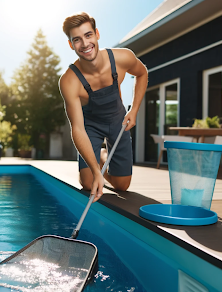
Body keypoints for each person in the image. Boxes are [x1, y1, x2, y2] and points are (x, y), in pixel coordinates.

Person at [59, 12, 148, 202]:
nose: (84, 44)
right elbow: (77, 128)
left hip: (118, 120)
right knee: (89, 183)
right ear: (71, 44)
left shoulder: (123, 58)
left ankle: (103, 155)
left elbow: (142, 74)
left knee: (122, 186)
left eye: (88, 35)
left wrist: (134, 109)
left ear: (97, 34)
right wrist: (95, 171)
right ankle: (97, 159)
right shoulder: (69, 81)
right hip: (90, 125)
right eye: (77, 40)